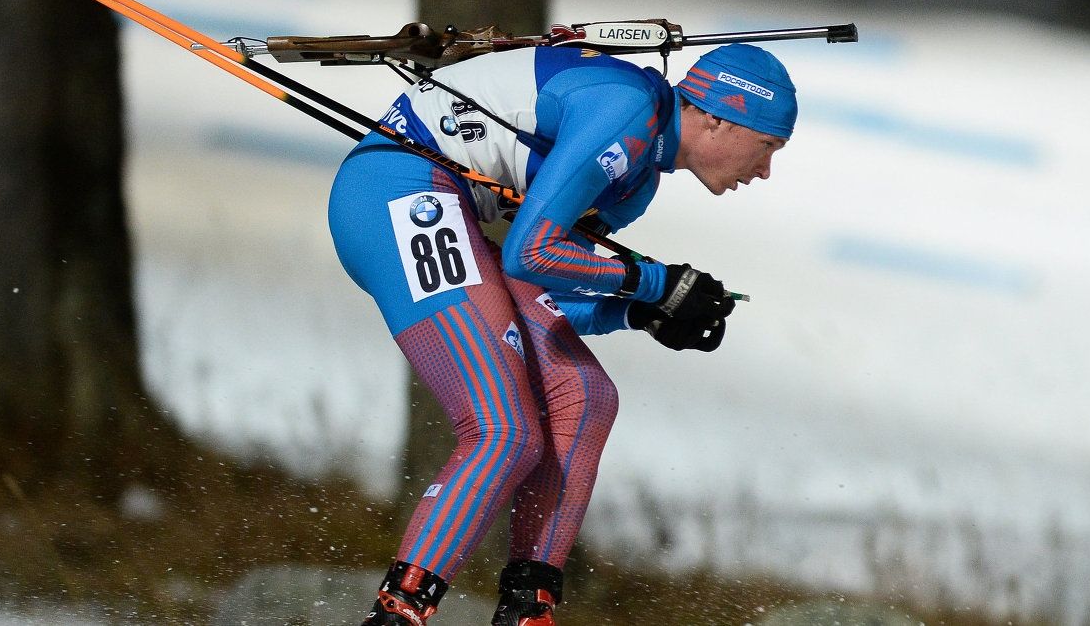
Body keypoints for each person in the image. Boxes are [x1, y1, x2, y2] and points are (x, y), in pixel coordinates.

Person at [328, 41, 797, 625]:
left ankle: (527, 609)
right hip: (395, 191)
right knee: (504, 431)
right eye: (768, 146)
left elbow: (536, 294)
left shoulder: (637, 181)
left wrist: (639, 311)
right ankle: (398, 613)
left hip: (447, 209)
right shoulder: (626, 110)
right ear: (718, 117)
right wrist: (653, 283)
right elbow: (528, 253)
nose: (765, 171)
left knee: (587, 399)